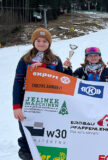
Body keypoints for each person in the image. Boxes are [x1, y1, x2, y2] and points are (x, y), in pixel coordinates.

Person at [13, 28, 65, 160]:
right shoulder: (25, 59)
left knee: (47, 132)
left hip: (50, 102)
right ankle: (29, 156)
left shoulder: (55, 60)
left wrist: (43, 68)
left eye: (45, 41)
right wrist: (16, 106)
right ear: (33, 42)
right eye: (38, 40)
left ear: (49, 43)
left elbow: (63, 83)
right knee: (28, 131)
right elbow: (18, 83)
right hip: (28, 100)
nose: (41, 43)